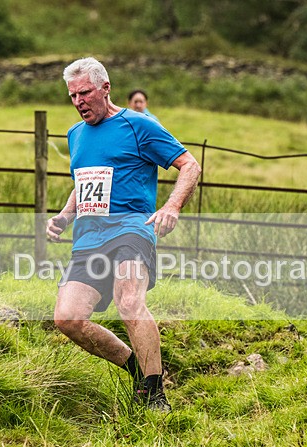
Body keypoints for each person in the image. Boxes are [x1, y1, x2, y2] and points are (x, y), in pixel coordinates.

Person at [47, 57, 201, 412]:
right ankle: (139, 372)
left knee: (129, 301)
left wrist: (172, 206)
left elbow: (189, 165)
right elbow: (83, 181)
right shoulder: (75, 134)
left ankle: (155, 396)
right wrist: (65, 216)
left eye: (85, 93)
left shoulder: (139, 125)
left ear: (105, 88)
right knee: (67, 318)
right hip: (88, 239)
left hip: (132, 229)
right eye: (73, 96)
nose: (79, 101)